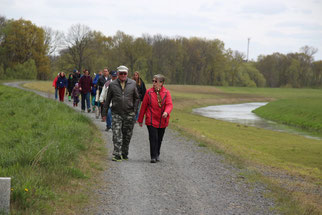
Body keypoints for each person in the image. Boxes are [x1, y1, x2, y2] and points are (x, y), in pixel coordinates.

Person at [102, 66, 139, 161]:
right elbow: (108, 99)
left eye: (124, 73)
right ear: (118, 74)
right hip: (116, 113)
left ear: (127, 74)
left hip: (129, 113)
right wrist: (104, 113)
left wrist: (134, 111)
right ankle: (117, 154)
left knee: (127, 135)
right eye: (121, 73)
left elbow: (137, 98)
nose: (123, 75)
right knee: (116, 134)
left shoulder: (133, 83)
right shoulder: (112, 84)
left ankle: (124, 152)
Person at [138, 74, 173, 163]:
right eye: (153, 81)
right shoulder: (149, 92)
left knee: (159, 138)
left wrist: (166, 112)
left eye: (156, 81)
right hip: (151, 119)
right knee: (153, 137)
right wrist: (140, 119)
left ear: (161, 83)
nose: (153, 83)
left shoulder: (166, 93)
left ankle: (157, 153)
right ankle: (153, 156)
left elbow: (169, 104)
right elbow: (144, 106)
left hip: (162, 120)